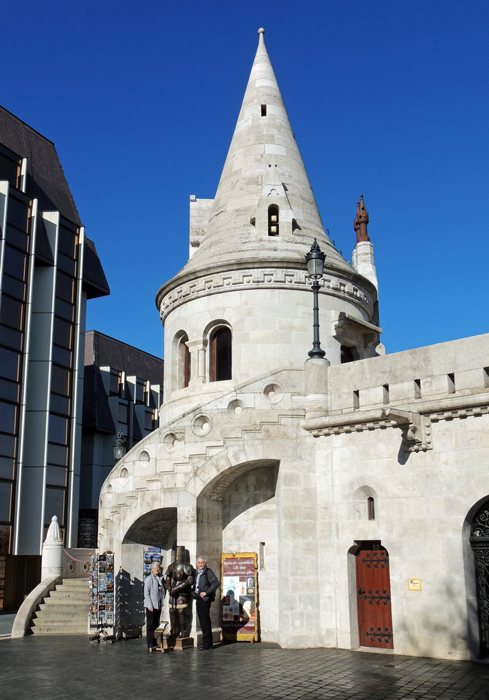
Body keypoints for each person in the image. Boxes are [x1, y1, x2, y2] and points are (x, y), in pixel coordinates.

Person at [193, 555, 220, 650]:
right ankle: (206, 642)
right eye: (199, 563)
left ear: (205, 563)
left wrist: (206, 592)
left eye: (202, 562)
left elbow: (216, 583)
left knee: (205, 621)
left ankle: (208, 644)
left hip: (204, 599)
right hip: (198, 598)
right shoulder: (197, 573)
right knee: (202, 621)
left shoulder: (208, 572)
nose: (200, 564)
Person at [143, 561, 165, 651]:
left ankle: (155, 641)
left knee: (156, 624)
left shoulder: (160, 578)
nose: (157, 570)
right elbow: (146, 593)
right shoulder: (149, 579)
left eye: (158, 568)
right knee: (150, 625)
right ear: (152, 569)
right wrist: (149, 605)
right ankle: (150, 643)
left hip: (158, 605)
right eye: (155, 568)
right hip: (151, 606)